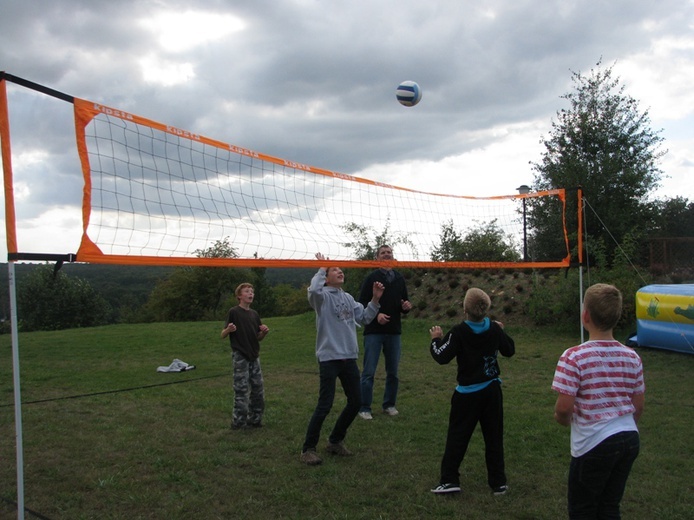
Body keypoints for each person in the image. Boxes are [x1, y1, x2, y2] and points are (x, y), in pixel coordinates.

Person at [552, 283, 645, 519]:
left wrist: (562, 419)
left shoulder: (573, 357)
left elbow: (564, 408)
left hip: (594, 443)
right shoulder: (632, 356)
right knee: (609, 506)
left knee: (583, 509)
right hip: (629, 439)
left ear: (585, 315)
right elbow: (638, 406)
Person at [428, 287, 515, 495]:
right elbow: (509, 350)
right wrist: (500, 331)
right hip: (492, 392)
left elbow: (441, 356)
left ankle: (449, 481)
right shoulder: (493, 328)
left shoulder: (459, 332)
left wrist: (435, 339)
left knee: (458, 437)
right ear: (486, 309)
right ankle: (498, 483)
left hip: (467, 394)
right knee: (494, 437)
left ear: (464, 309)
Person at [300, 253, 385, 465]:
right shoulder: (322, 298)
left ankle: (335, 441)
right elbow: (312, 291)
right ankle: (308, 449)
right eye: (334, 269)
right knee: (325, 404)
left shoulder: (346, 297)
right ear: (326, 278)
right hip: (329, 357)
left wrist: (375, 299)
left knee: (356, 401)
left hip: (348, 357)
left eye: (340, 268)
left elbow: (364, 317)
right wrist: (321, 268)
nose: (339, 271)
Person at [358, 245, 412, 419]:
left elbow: (404, 301)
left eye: (389, 252)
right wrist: (377, 315)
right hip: (374, 331)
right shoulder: (371, 278)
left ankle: (389, 404)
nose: (387, 255)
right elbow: (362, 304)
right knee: (369, 372)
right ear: (377, 258)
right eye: (383, 253)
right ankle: (364, 408)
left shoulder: (399, 278)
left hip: (394, 331)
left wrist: (406, 307)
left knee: (393, 372)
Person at [221, 283, 270, 429]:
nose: (251, 294)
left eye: (252, 292)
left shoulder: (254, 314)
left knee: (258, 389)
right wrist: (229, 329)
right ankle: (238, 422)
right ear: (239, 296)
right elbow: (222, 334)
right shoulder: (234, 312)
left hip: (254, 356)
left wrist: (264, 333)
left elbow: (258, 337)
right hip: (240, 356)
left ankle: (255, 419)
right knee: (241, 390)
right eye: (247, 291)